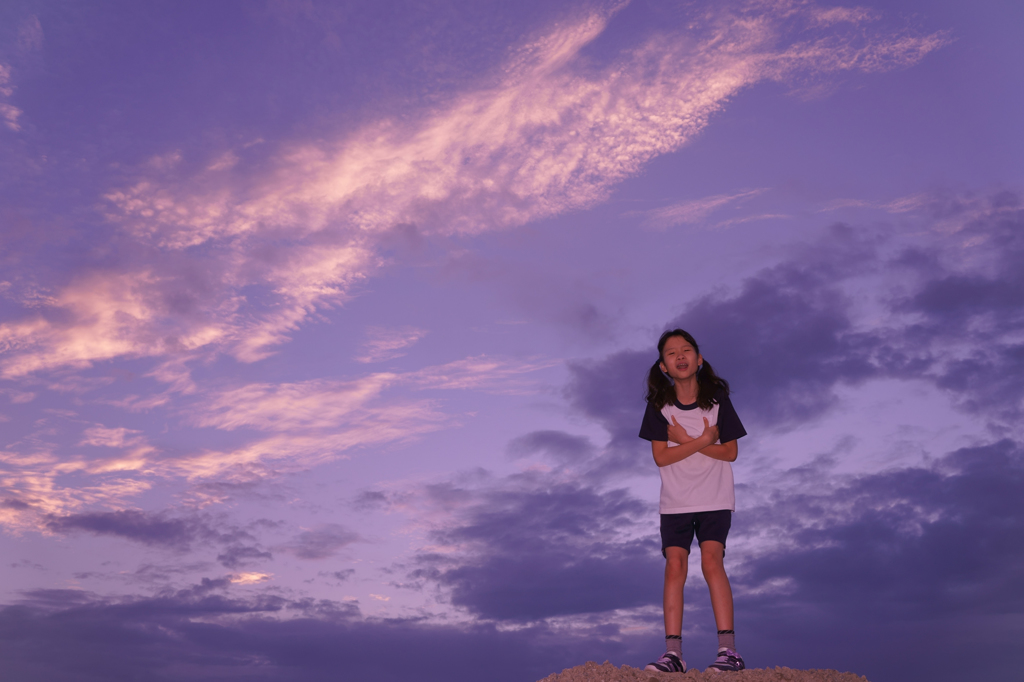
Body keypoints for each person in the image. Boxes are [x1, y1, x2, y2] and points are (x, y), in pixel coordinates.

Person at [637, 329, 747, 673]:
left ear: (699, 359)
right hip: (675, 501)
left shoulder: (717, 401)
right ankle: (673, 655)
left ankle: (728, 652)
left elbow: (730, 452)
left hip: (715, 497)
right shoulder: (659, 406)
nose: (680, 356)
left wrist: (687, 440)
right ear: (663, 366)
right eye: (671, 353)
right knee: (675, 567)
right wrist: (700, 440)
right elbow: (661, 458)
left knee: (712, 562)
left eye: (687, 350)